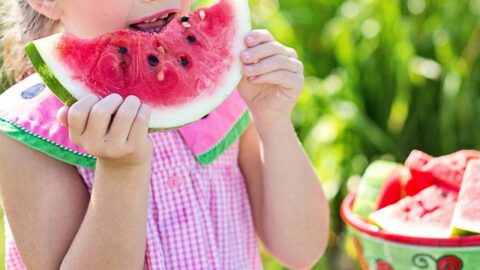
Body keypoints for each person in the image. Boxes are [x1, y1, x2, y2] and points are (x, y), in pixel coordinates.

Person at [0, 0, 329, 269]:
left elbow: (302, 250)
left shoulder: (227, 88)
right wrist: (121, 172)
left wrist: (274, 123)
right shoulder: (28, 132)